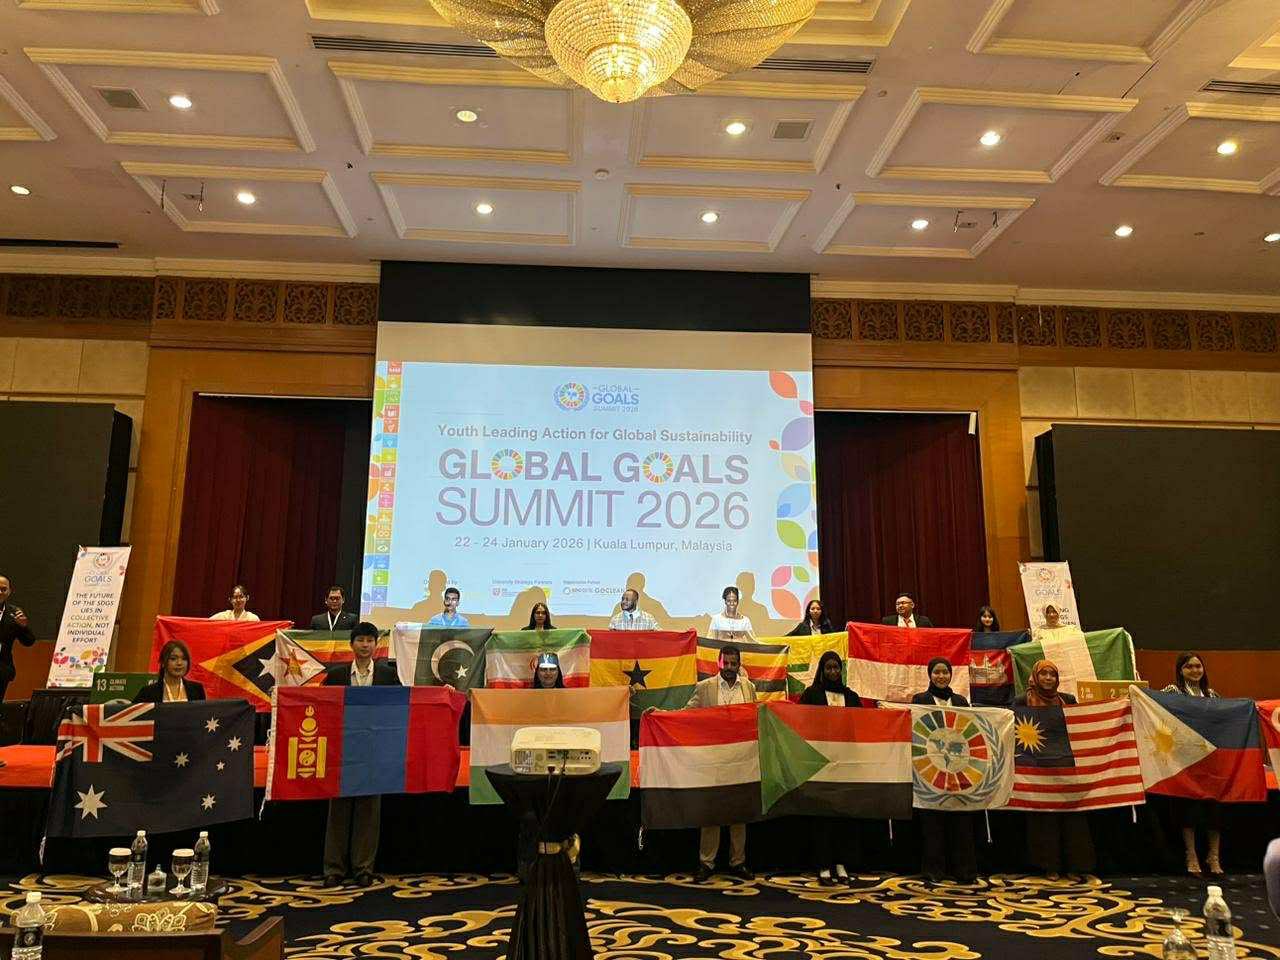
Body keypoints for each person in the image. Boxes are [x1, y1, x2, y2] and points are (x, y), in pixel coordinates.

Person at [323, 622, 399, 887]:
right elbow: (323, 710)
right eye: (360, 640)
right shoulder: (336, 675)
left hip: (374, 752)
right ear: (351, 644)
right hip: (342, 751)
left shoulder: (388, 675)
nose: (365, 645)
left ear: (376, 645)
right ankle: (333, 869)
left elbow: (399, 709)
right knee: (338, 809)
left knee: (369, 810)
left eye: (370, 640)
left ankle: (363, 868)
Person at [1013, 659, 1094, 877]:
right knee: (1044, 822)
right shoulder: (1022, 701)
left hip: (1066, 769)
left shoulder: (1068, 700)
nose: (1048, 678)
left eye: (1052, 675)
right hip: (1038, 772)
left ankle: (1076, 866)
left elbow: (1079, 730)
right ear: (1035, 676)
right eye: (1044, 674)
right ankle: (1049, 866)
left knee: (1072, 820)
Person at [684, 644, 756, 881]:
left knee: (739, 813)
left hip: (741, 759)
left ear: (739, 664)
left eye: (734, 663)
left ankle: (738, 862)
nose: (729, 667)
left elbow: (755, 719)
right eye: (726, 663)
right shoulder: (704, 688)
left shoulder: (749, 687)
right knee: (711, 812)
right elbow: (687, 715)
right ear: (719, 662)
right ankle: (706, 863)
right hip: (713, 759)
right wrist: (661, 715)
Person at [910, 658, 977, 882]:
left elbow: (969, 729)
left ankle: (964, 871)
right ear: (930, 675)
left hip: (958, 768)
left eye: (945, 672)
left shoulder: (960, 701)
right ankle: (933, 870)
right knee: (932, 822)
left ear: (951, 675)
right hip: (930, 769)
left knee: (961, 821)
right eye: (937, 672)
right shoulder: (920, 700)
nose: (941, 676)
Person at [798, 650, 862, 884]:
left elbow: (862, 726)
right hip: (820, 764)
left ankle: (841, 863)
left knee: (843, 817)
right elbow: (801, 722)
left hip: (846, 764)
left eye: (836, 667)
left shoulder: (851, 696)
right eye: (829, 668)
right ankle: (823, 864)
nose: (833, 672)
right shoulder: (811, 694)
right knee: (821, 817)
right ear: (822, 670)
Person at [1162, 652, 1223, 876]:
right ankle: (1191, 855)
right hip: (1184, 761)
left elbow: (1224, 722)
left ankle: (1213, 856)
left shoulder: (1213, 695)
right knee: (1188, 810)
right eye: (1189, 667)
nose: (1195, 670)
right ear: (1180, 670)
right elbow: (1155, 712)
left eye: (1198, 666)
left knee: (1214, 810)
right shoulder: (1172, 691)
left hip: (1210, 760)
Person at [134, 640, 206, 703]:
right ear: (163, 662)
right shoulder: (148, 693)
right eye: (173, 659)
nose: (179, 663)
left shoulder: (197, 690)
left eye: (184, 659)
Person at [0, 575, 36, 702]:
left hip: (2, 670)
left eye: (4, 589)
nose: (0, 592)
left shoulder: (14, 613)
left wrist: (23, 627)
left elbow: (29, 642)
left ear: (9, 592)